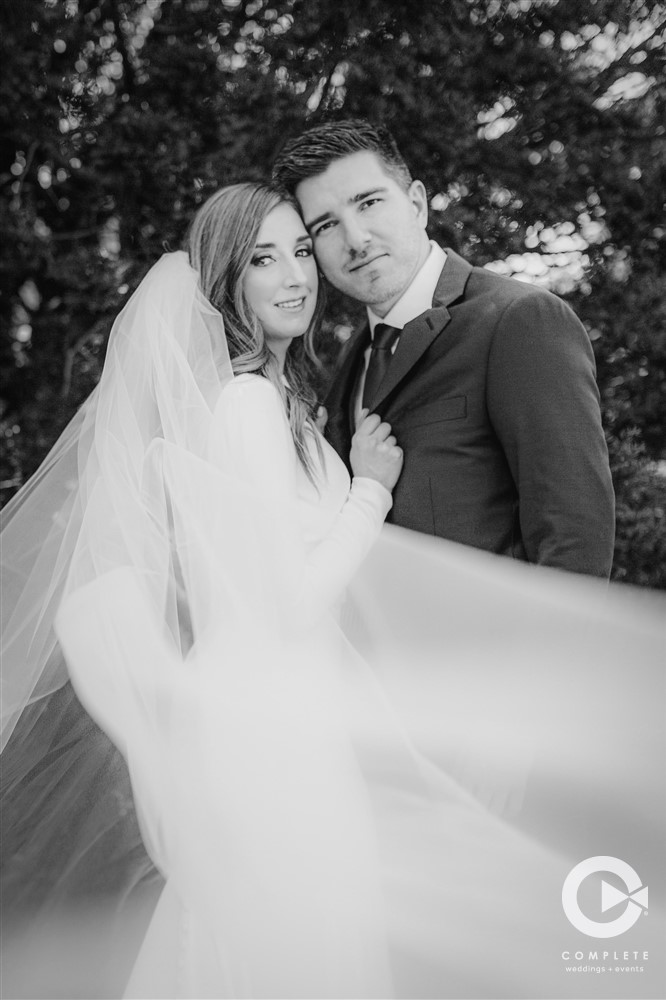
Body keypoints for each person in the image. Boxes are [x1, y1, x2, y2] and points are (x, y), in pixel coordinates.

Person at [1, 183, 664, 1000]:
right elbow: (285, 603)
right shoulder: (246, 407)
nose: (295, 276)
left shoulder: (286, 403)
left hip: (287, 710)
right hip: (268, 723)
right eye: (261, 259)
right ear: (224, 283)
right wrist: (370, 494)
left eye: (300, 252)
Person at [272, 118, 616, 577]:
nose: (355, 239)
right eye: (326, 225)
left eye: (369, 202)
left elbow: (574, 538)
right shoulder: (351, 361)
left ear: (416, 203)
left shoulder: (518, 321)